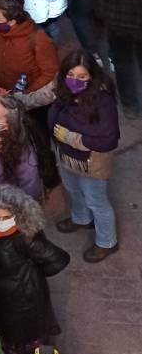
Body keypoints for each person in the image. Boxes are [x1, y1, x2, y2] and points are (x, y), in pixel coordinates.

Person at [0, 186, 70, 354]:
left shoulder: (27, 237)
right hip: (0, 300)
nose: (0, 221)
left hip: (25, 301)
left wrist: (33, 275)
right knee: (10, 334)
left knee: (29, 335)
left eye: (6, 217)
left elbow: (59, 259)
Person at [49, 47, 120, 260]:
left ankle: (107, 241)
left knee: (96, 201)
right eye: (70, 75)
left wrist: (71, 137)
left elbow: (108, 138)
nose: (74, 80)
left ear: (91, 77)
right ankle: (81, 218)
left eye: (81, 76)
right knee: (73, 189)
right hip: (67, 157)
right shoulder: (63, 92)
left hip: (92, 162)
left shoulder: (103, 101)